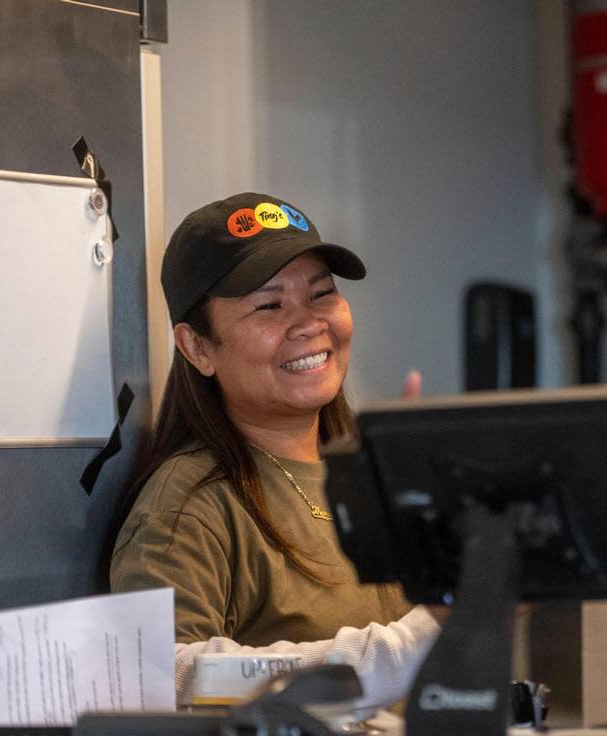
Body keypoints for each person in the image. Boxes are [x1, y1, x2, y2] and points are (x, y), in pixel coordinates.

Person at [111, 192, 438, 709]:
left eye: (322, 294)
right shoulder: (187, 504)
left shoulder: (381, 474)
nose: (309, 323)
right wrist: (418, 638)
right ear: (198, 347)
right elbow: (167, 681)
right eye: (269, 305)